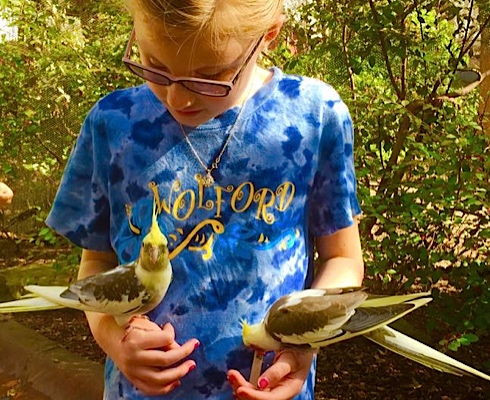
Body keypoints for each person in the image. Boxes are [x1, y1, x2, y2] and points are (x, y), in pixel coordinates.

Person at [46, 0, 364, 399]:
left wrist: (302, 345)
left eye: (210, 76)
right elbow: (96, 267)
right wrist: (114, 340)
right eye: (155, 65)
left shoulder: (314, 116)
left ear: (268, 35)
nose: (178, 98)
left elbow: (343, 259)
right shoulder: (113, 124)